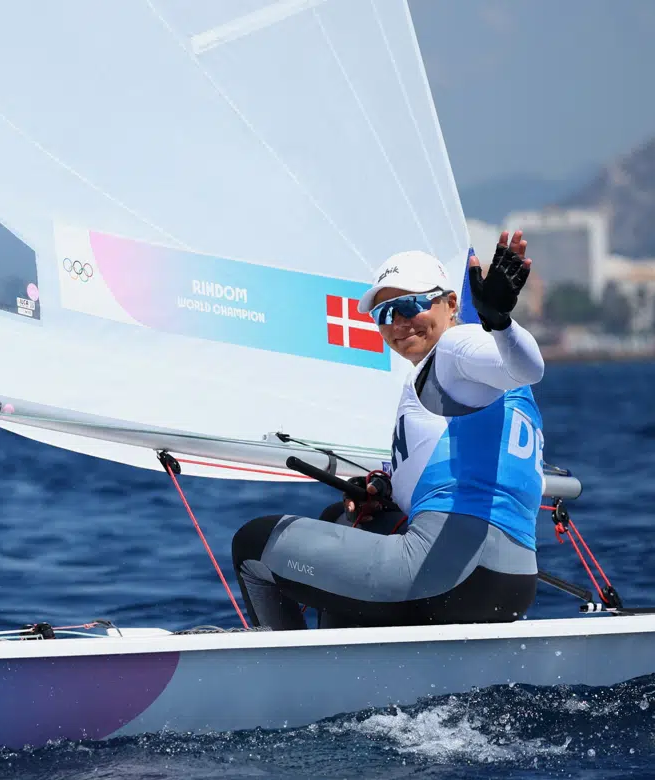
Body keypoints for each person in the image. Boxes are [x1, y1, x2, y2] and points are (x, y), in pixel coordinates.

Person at [231, 231, 545, 630]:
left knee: (253, 544)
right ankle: (346, 663)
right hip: (511, 582)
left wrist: (498, 321)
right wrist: (387, 486)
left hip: (449, 574)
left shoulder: (458, 350)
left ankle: (282, 675)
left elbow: (530, 367)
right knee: (343, 519)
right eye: (385, 314)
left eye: (411, 305)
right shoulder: (480, 379)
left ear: (451, 305)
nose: (397, 323)